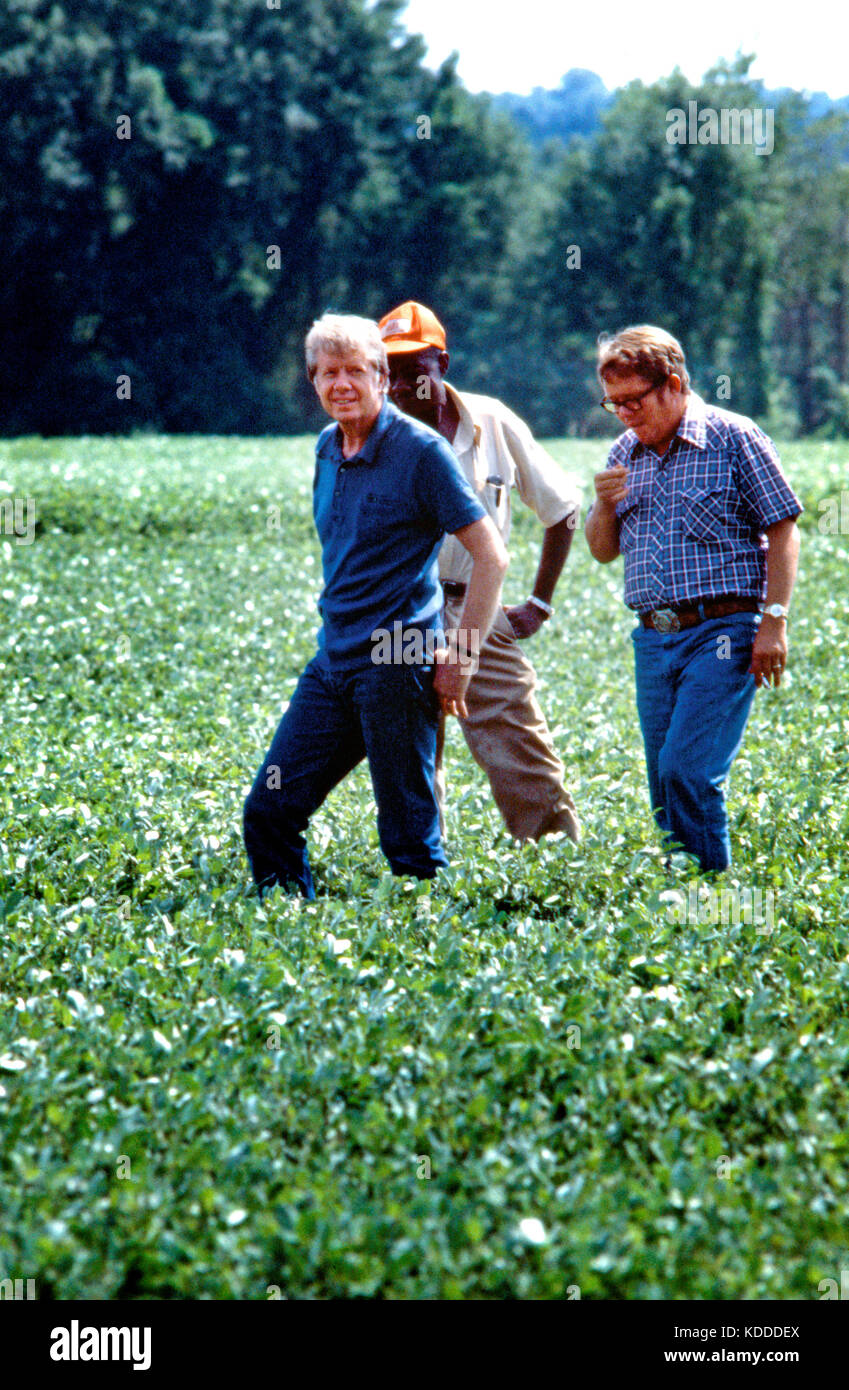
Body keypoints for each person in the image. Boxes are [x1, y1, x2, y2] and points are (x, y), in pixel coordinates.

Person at [242, 313, 508, 899]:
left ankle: (432, 964)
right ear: (313, 381)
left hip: (397, 660)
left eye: (355, 371)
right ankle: (291, 941)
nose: (341, 384)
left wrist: (460, 656)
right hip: (333, 660)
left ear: (382, 378)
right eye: (327, 372)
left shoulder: (420, 452)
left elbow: (492, 556)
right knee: (269, 810)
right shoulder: (326, 447)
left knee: (409, 837)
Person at [585, 324, 802, 871]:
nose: (626, 413)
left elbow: (783, 528)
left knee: (689, 769)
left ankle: (710, 900)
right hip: (653, 639)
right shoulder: (623, 452)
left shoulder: (734, 437)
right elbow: (603, 551)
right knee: (662, 777)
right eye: (615, 405)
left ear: (674, 384)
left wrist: (774, 622)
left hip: (723, 632)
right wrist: (603, 506)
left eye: (634, 400)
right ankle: (682, 899)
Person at [378, 300, 582, 843]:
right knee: (411, 753)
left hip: (475, 603)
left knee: (518, 746)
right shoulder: (373, 436)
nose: (399, 387)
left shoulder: (492, 422)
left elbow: (562, 509)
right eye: (387, 374)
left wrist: (539, 602)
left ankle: (553, 867)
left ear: (441, 362)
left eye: (412, 371)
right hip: (402, 610)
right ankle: (420, 877)